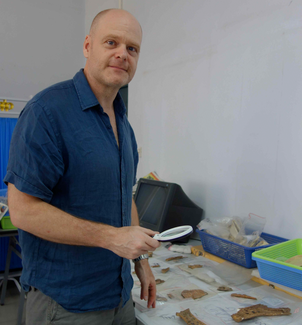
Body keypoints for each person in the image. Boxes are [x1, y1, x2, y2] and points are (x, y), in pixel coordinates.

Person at [4, 8, 160, 325]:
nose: (122, 54)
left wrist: (141, 260)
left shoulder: (124, 125)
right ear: (88, 46)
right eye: (111, 42)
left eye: (132, 48)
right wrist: (112, 238)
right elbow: (23, 211)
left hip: (119, 298)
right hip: (66, 305)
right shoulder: (47, 112)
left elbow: (124, 195)